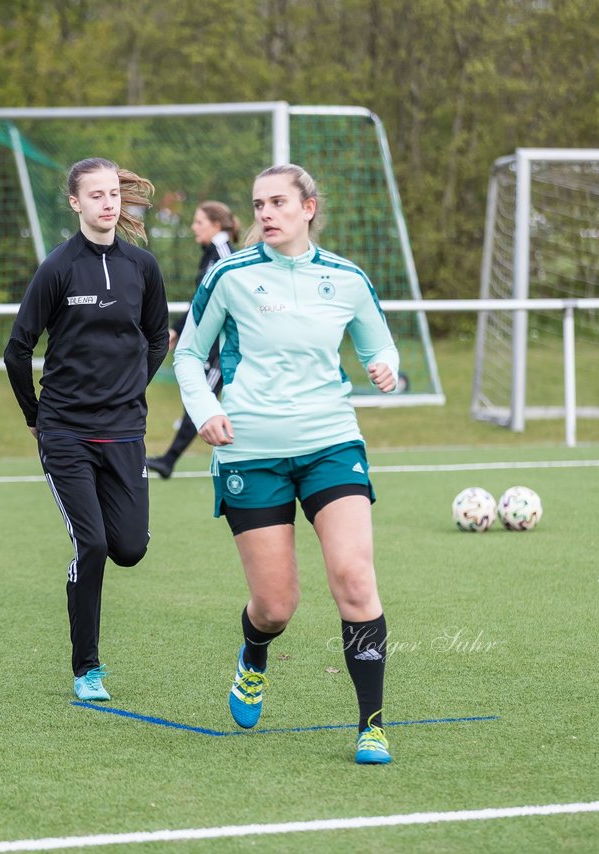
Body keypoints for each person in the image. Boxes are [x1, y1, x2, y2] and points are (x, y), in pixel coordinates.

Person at [173, 164, 399, 764]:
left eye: (278, 202)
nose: (266, 213)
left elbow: (381, 346)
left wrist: (386, 370)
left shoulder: (347, 278)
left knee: (354, 577)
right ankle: (253, 655)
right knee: (276, 605)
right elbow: (189, 355)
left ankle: (371, 725)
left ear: (308, 208)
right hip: (251, 451)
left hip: (332, 443)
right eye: (258, 204)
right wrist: (204, 412)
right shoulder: (230, 275)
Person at [3, 157, 170, 701]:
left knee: (129, 548)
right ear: (75, 203)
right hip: (65, 432)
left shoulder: (142, 266)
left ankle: (106, 557)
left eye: (113, 194)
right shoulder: (57, 267)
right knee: (93, 545)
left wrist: (131, 389)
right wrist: (37, 416)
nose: (107, 203)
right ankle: (87, 668)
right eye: (94, 195)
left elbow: (155, 336)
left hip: (125, 430)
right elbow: (17, 349)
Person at [145, 200, 240, 479]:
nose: (193, 227)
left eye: (199, 222)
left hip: (226, 346)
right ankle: (169, 460)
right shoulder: (210, 253)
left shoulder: (222, 254)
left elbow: (215, 302)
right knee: (202, 397)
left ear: (216, 224)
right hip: (214, 343)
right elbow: (202, 301)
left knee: (203, 398)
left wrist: (179, 328)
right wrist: (178, 328)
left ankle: (169, 460)